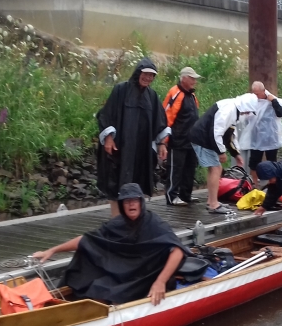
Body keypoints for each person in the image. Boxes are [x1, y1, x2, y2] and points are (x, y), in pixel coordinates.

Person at [32, 183, 190, 306]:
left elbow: (177, 250)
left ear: (141, 202)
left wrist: (160, 281)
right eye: (126, 201)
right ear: (121, 205)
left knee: (116, 294)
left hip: (148, 275)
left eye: (134, 200)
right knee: (94, 280)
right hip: (126, 272)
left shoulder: (154, 223)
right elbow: (88, 240)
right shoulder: (117, 224)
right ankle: (88, 315)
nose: (131, 204)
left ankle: (113, 310)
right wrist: (52, 250)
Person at [97, 58, 170, 216]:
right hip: (119, 149)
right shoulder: (121, 90)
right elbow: (106, 114)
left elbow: (160, 122)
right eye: (145, 74)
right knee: (115, 184)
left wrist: (162, 144)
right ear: (138, 73)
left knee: (137, 184)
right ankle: (116, 222)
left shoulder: (151, 96)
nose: (148, 78)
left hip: (140, 151)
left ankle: (133, 221)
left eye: (151, 76)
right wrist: (108, 138)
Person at [190, 93, 260, 214]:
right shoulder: (228, 109)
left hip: (206, 139)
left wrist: (236, 154)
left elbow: (231, 135)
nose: (247, 114)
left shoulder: (235, 110)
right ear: (245, 107)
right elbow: (216, 131)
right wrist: (221, 151)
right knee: (216, 168)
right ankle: (213, 204)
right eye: (248, 112)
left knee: (215, 168)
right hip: (202, 139)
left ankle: (211, 201)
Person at [237, 81, 282, 185]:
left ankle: (273, 184)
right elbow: (244, 116)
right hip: (256, 137)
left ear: (263, 90)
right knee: (253, 163)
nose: (256, 95)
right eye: (254, 93)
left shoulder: (272, 100)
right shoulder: (252, 101)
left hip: (271, 137)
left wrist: (274, 101)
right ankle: (255, 185)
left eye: (257, 93)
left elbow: (281, 113)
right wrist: (245, 113)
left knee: (272, 162)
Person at [162, 66, 202, 206]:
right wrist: (164, 140)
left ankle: (186, 195)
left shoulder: (191, 95)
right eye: (192, 78)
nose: (194, 81)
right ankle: (171, 196)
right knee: (175, 169)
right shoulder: (175, 92)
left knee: (189, 169)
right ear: (183, 78)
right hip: (177, 140)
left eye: (195, 79)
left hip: (191, 141)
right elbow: (166, 116)